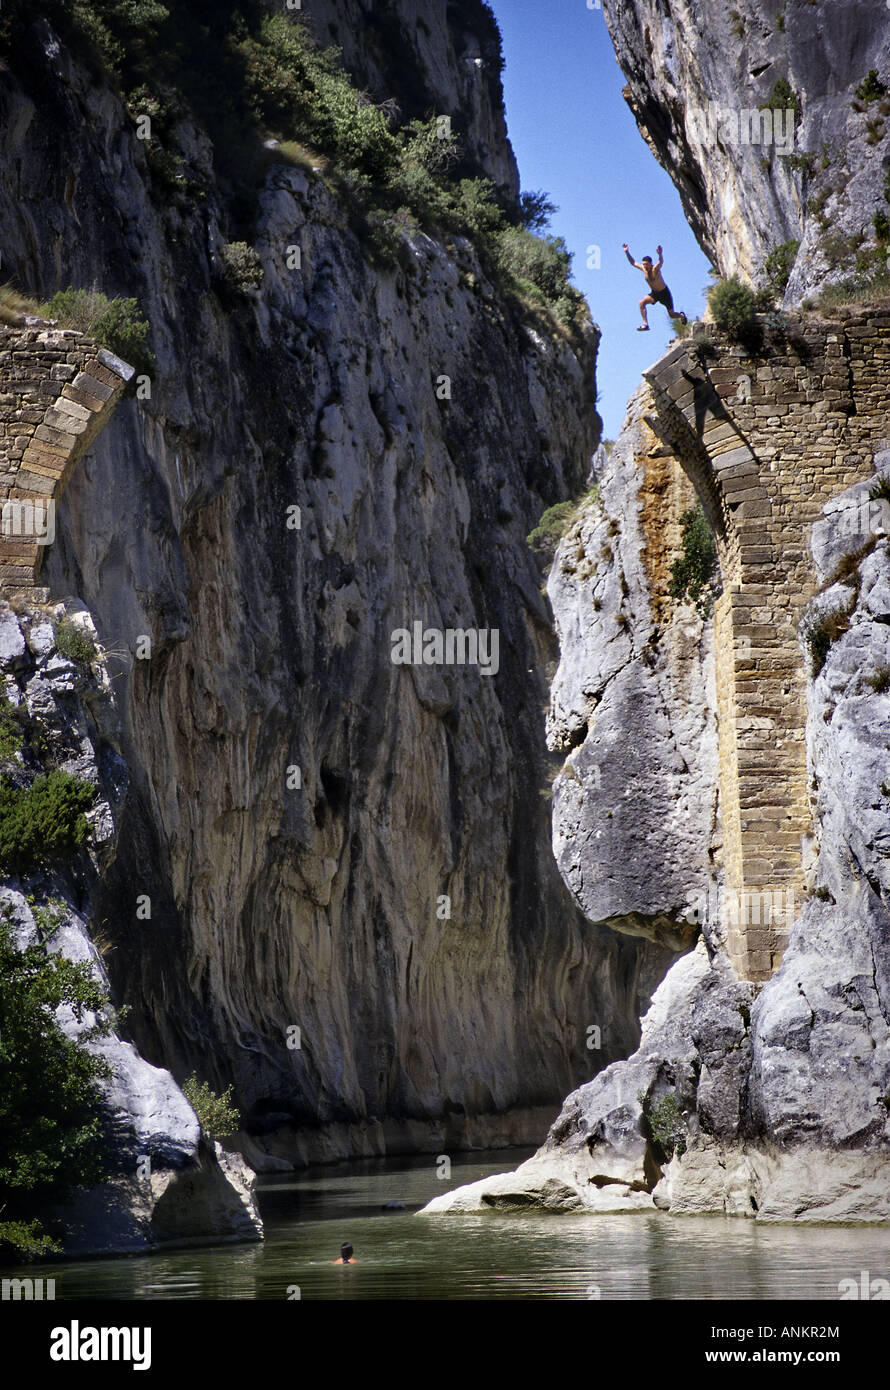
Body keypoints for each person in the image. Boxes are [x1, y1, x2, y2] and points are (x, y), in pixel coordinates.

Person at [622, 243, 687, 331]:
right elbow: (633, 262)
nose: (644, 266)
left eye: (646, 264)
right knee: (641, 303)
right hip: (655, 294)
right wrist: (627, 252)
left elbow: (660, 262)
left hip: (664, 293)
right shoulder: (644, 269)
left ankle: (681, 316)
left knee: (672, 315)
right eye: (643, 264)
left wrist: (660, 254)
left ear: (650, 264)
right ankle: (645, 324)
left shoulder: (655, 269)